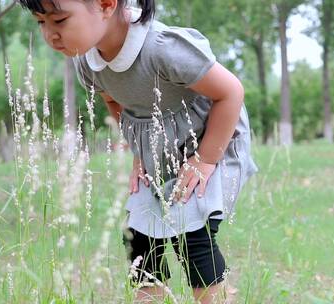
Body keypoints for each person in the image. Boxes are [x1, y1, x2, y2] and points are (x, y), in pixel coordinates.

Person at [18, 0, 258, 303]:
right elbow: (116, 104)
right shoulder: (88, 62)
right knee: (139, 236)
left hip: (209, 140)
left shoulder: (162, 49)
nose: (50, 35)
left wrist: (205, 160)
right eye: (41, 23)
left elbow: (231, 92)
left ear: (106, 4)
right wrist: (140, 152)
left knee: (191, 235)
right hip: (156, 151)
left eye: (60, 20)